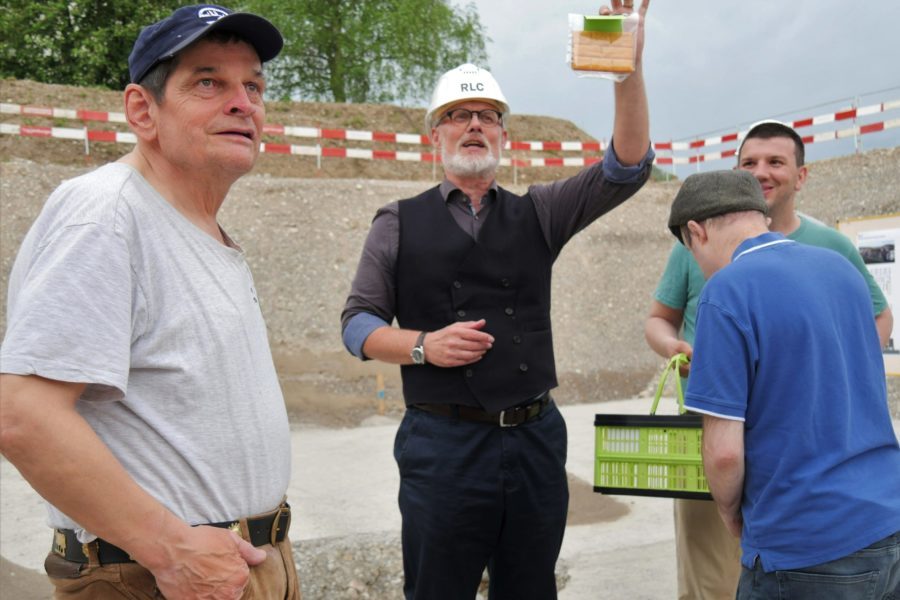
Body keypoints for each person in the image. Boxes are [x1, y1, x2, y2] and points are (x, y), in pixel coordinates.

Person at [339, 1, 652, 596]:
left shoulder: (540, 212)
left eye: (488, 115)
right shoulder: (397, 223)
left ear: (504, 134)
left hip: (534, 441)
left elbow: (625, 167)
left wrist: (626, 70)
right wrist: (423, 346)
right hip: (443, 446)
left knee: (531, 588)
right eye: (459, 114)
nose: (475, 124)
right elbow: (357, 325)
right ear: (437, 133)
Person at [0, 5, 300, 599]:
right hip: (152, 577)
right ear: (143, 110)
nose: (243, 102)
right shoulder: (107, 215)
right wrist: (170, 547)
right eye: (209, 82)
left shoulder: (194, 227)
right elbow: (23, 415)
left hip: (232, 565)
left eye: (254, 86)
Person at [643, 119, 893, 599]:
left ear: (696, 232)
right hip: (885, 522)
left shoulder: (726, 290)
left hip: (800, 543)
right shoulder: (839, 267)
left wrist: (731, 511)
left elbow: (725, 451)